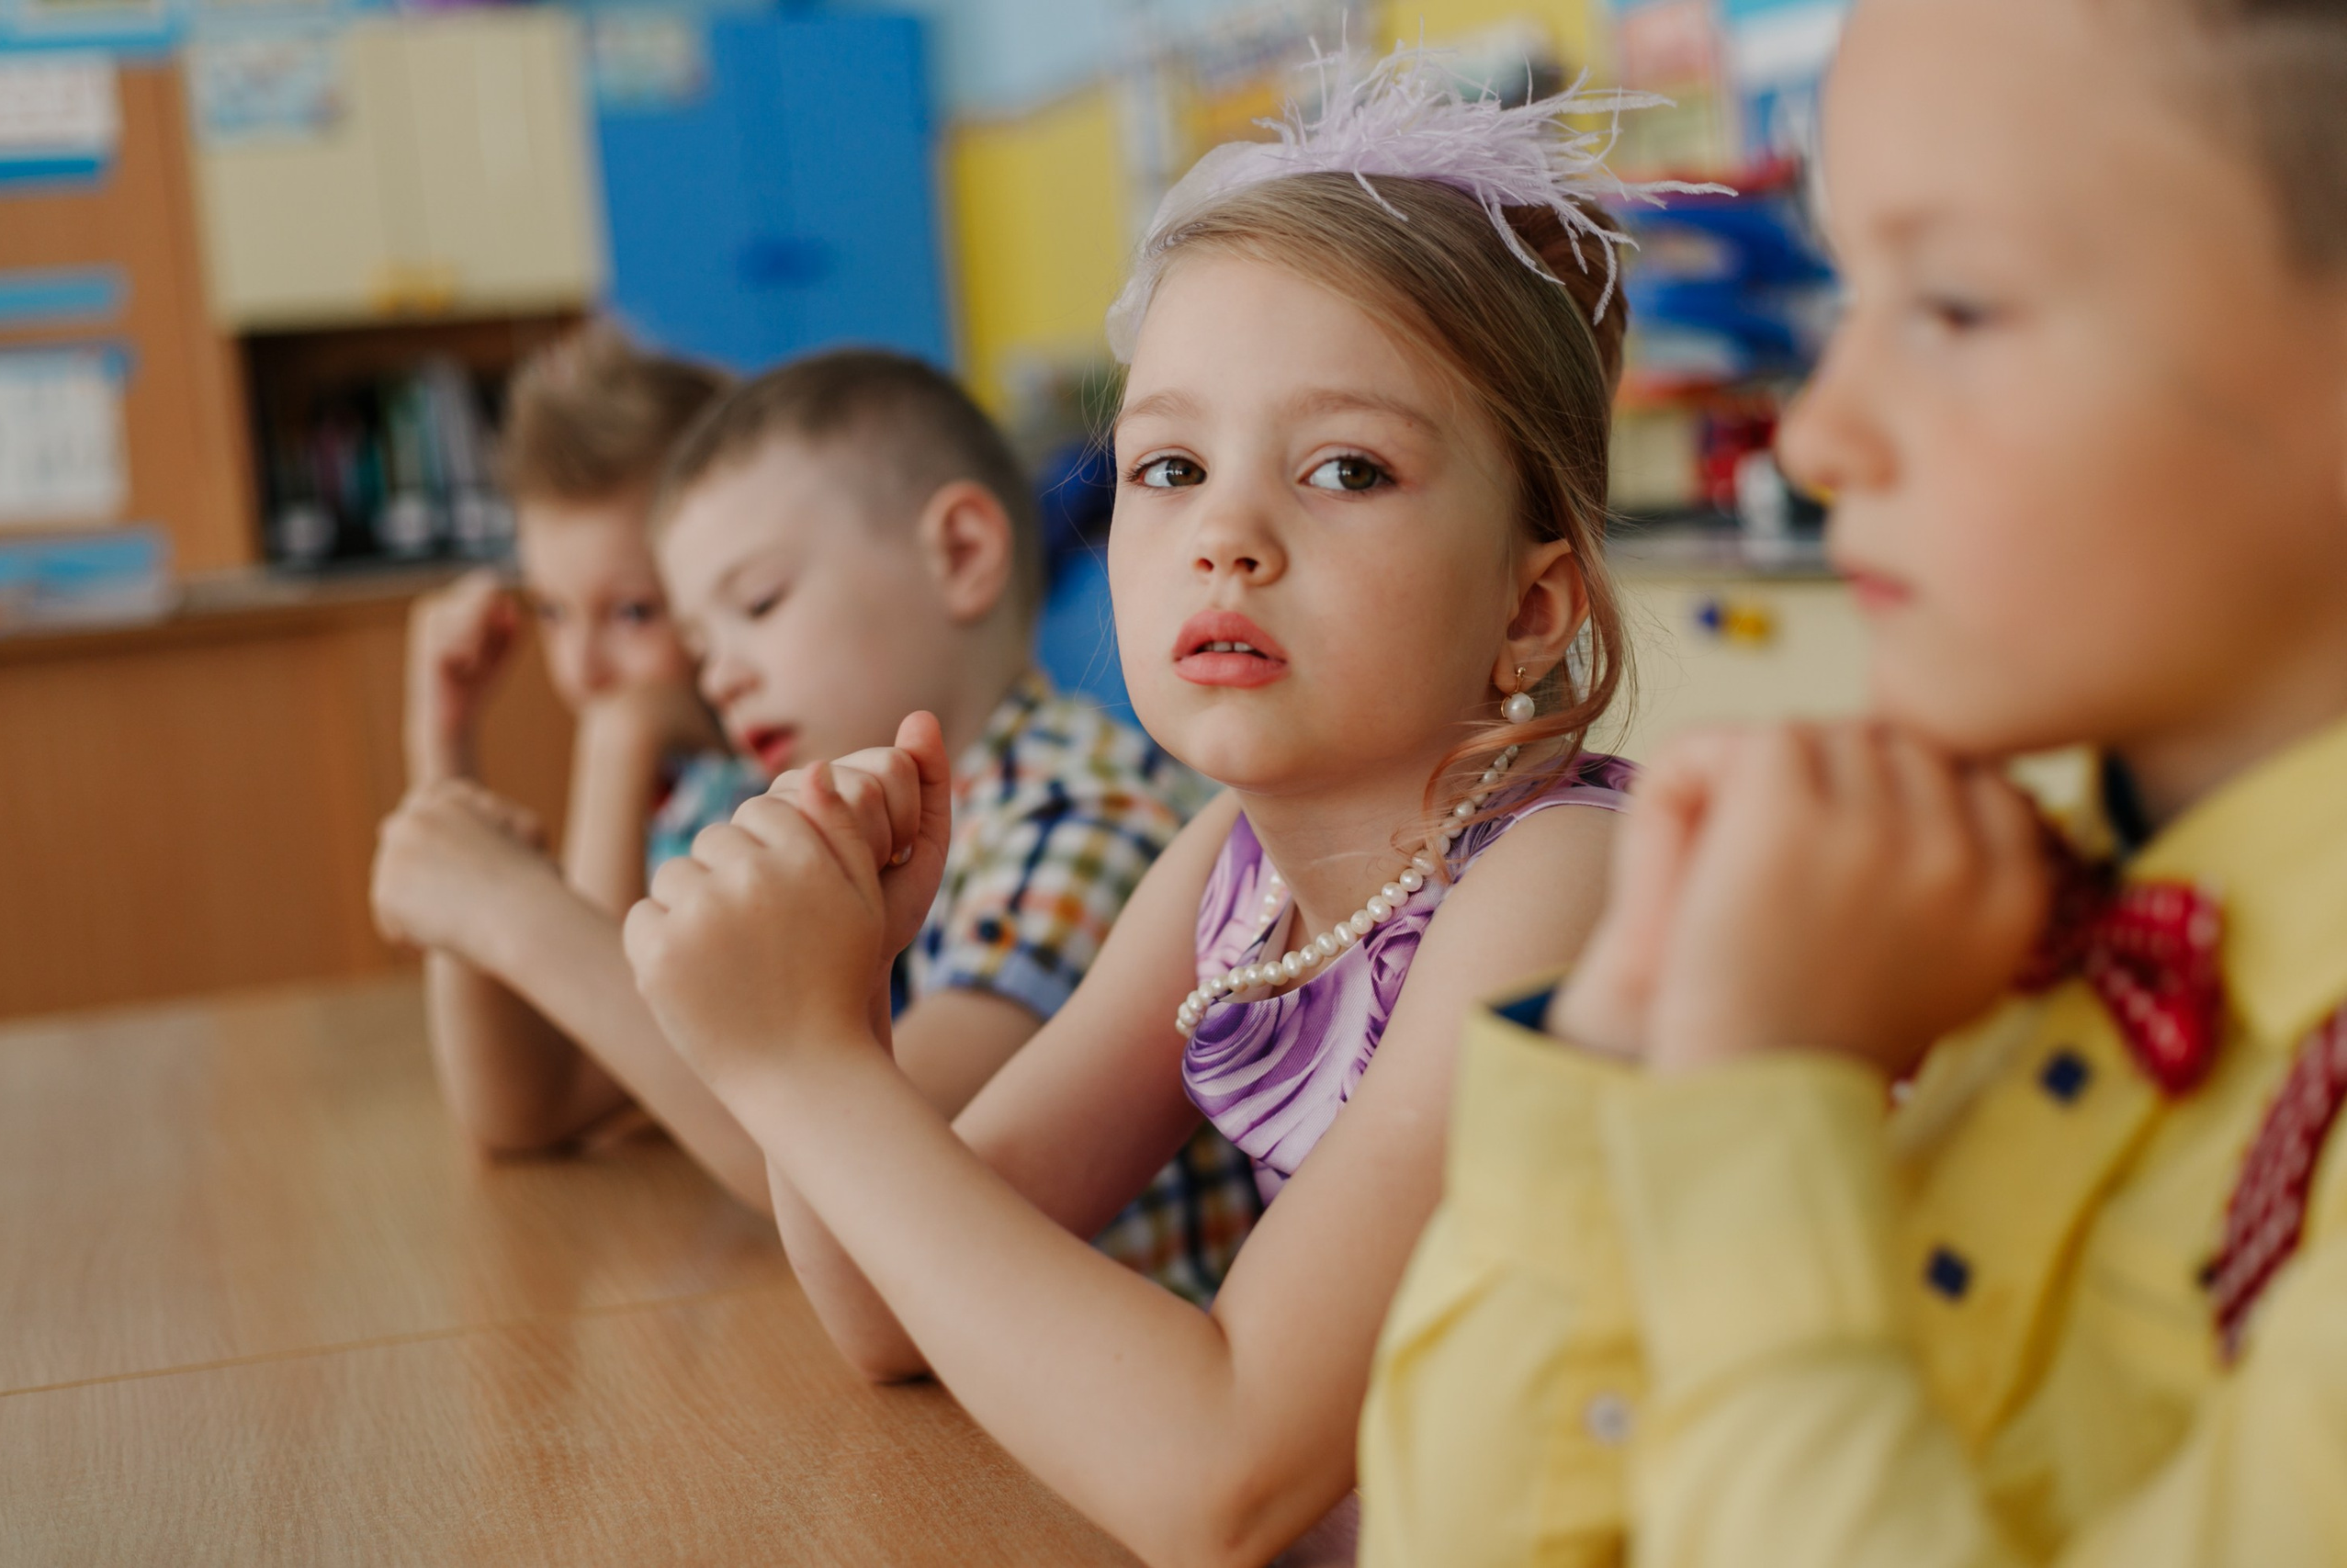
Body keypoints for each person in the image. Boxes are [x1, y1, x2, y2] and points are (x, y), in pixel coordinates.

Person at [621, 53, 1689, 1568]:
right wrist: (843, 1008)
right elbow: (885, 1313)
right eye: (1170, 465)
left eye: (1346, 468)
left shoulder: (1557, 887)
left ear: (1533, 610)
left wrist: (795, 1067)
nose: (1226, 537)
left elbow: (1220, 1473)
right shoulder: (1229, 872)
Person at [1356, 1, 2347, 1564]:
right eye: (1844, 300)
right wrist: (1629, 1039)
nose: (1818, 437)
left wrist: (1760, 1098)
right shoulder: (2006, 902)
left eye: (1953, 308)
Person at [376, 347, 1256, 1304]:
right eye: (700, 642)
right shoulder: (792, 818)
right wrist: (463, 846)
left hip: (1079, 1413)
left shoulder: (1084, 815)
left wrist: (514, 912)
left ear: (960, 555)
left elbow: (856, 1184)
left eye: (757, 604)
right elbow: (537, 1107)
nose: (716, 678)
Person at [384, 321, 732, 1160]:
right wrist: (444, 743)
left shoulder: (762, 793)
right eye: (552, 611)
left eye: (633, 612)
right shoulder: (679, 786)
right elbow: (513, 1107)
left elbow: (551, 1093)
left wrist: (621, 739)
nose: (582, 667)